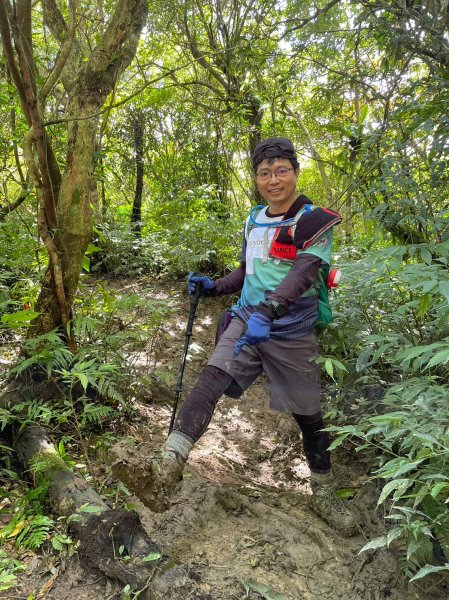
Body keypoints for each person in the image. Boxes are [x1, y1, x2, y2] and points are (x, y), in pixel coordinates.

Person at [114, 137, 357, 536]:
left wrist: (272, 309)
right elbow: (246, 273)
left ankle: (324, 491)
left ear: (295, 172)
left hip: (292, 329)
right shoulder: (254, 219)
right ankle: (168, 464)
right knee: (211, 377)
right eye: (265, 172)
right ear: (256, 178)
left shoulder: (313, 220)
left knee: (308, 414)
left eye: (281, 170)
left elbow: (303, 273)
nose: (273, 179)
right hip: (247, 320)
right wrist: (214, 288)